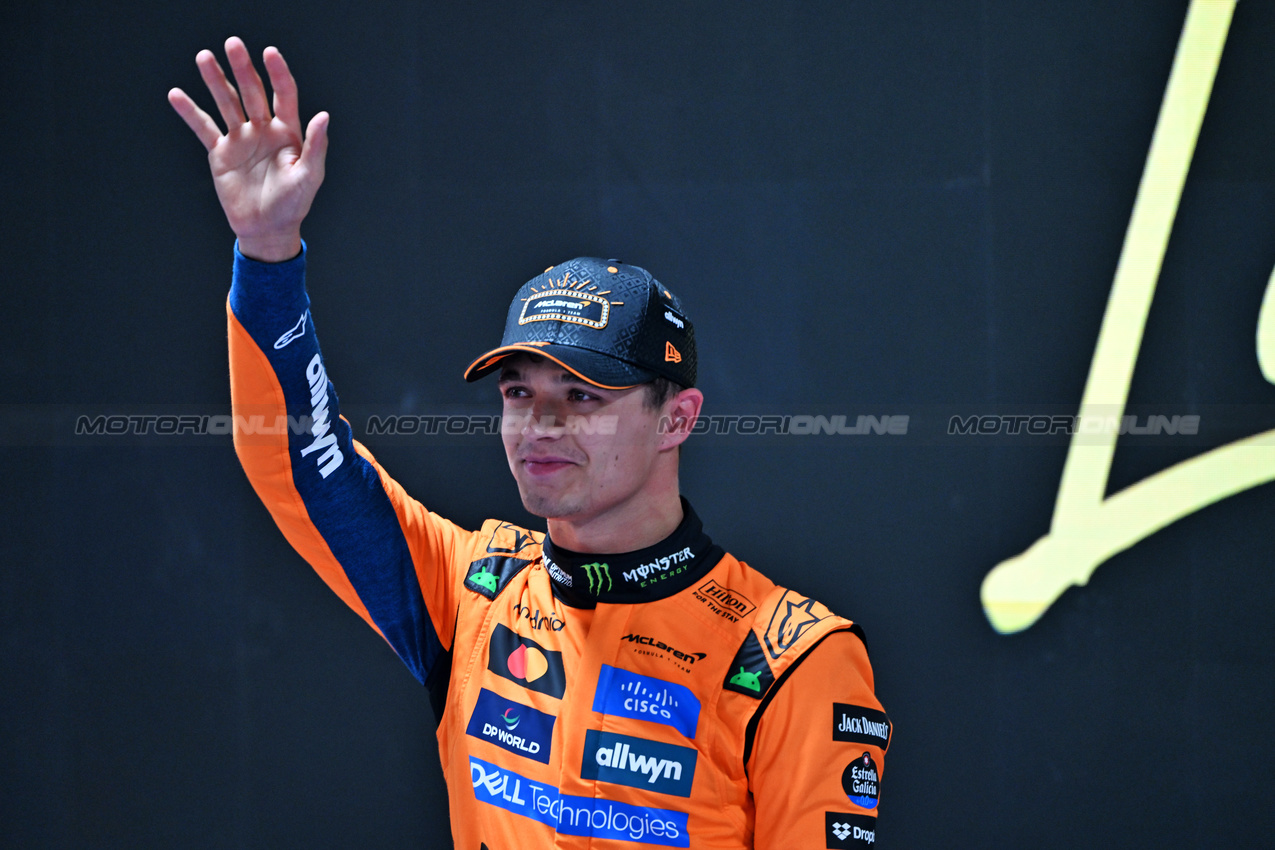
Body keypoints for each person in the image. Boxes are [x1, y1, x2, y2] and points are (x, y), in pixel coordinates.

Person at [170, 37, 891, 850]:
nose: (540, 424)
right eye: (520, 393)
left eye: (582, 395)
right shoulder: (472, 590)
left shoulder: (794, 660)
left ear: (677, 419)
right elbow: (298, 465)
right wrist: (267, 257)